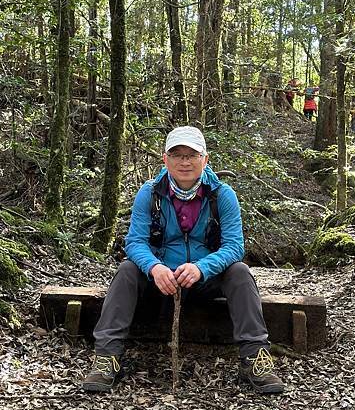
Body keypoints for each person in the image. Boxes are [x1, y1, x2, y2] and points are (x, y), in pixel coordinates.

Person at [82, 126, 285, 395]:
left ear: (205, 159)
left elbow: (235, 246)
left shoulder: (222, 195)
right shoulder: (150, 193)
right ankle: (107, 358)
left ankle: (255, 358)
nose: (185, 162)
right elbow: (135, 242)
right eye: (177, 155)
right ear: (165, 159)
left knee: (240, 272)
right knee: (127, 270)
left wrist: (202, 268)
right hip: (161, 280)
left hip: (206, 280)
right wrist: (155, 267)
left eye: (192, 155)